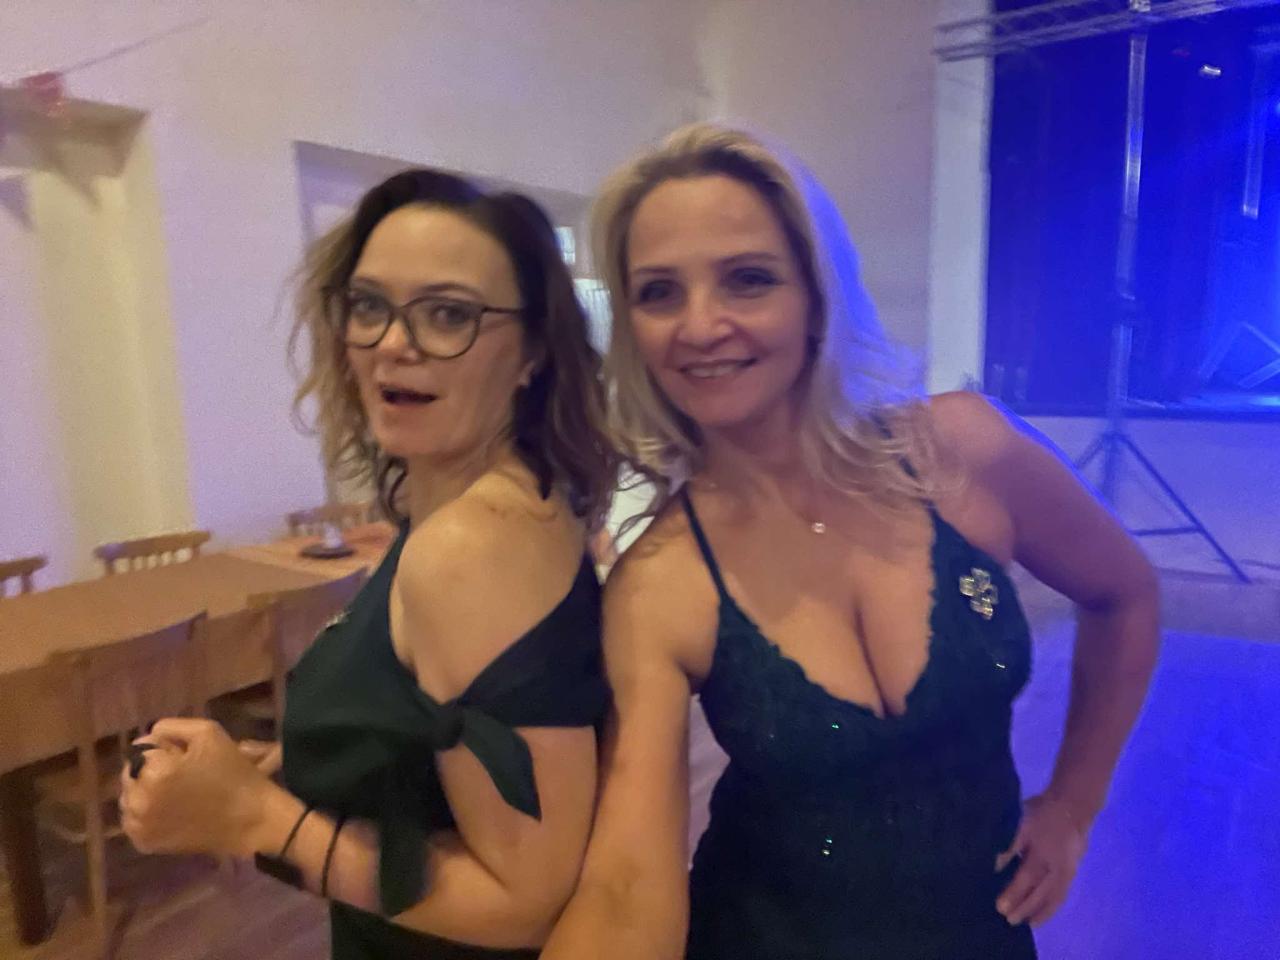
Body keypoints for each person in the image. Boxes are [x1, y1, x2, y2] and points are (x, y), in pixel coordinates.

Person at [541, 124, 1160, 960]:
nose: (700, 325)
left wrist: (1075, 807)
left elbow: (1125, 594)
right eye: (658, 293)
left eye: (748, 279)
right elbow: (625, 887)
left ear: (816, 294)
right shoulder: (659, 581)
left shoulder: (961, 453)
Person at [120, 168, 618, 959]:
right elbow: (429, 749)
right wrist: (297, 768)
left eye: (449, 314)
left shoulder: (468, 548)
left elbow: (522, 901)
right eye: (369, 306)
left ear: (531, 352)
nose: (392, 343)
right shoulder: (501, 503)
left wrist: (253, 818)